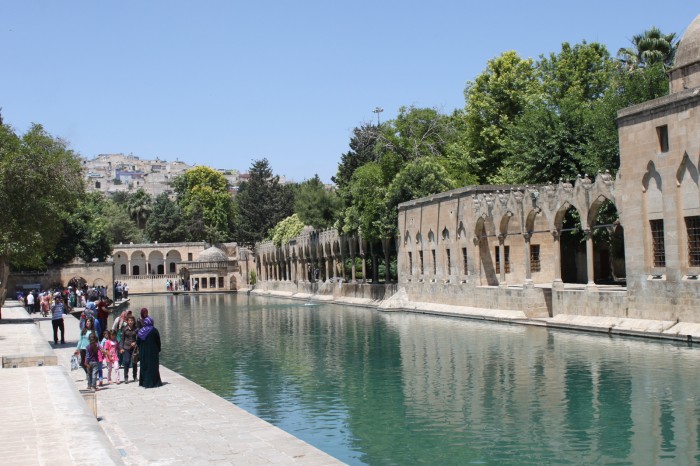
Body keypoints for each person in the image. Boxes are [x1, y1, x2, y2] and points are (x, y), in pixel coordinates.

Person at [136, 315, 162, 388]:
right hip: (153, 353)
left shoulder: (141, 331)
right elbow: (158, 341)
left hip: (143, 353)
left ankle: (143, 382)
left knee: (144, 367)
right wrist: (158, 349)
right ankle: (154, 382)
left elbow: (138, 342)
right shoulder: (154, 330)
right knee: (153, 367)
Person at [119, 315, 138, 384]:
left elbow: (139, 338)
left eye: (131, 321)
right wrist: (121, 348)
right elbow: (122, 339)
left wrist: (135, 342)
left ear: (133, 321)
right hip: (126, 347)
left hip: (134, 348)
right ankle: (126, 377)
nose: (130, 322)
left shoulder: (136, 329)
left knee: (134, 362)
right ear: (127, 321)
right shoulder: (125, 329)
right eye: (129, 321)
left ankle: (135, 376)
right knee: (126, 362)